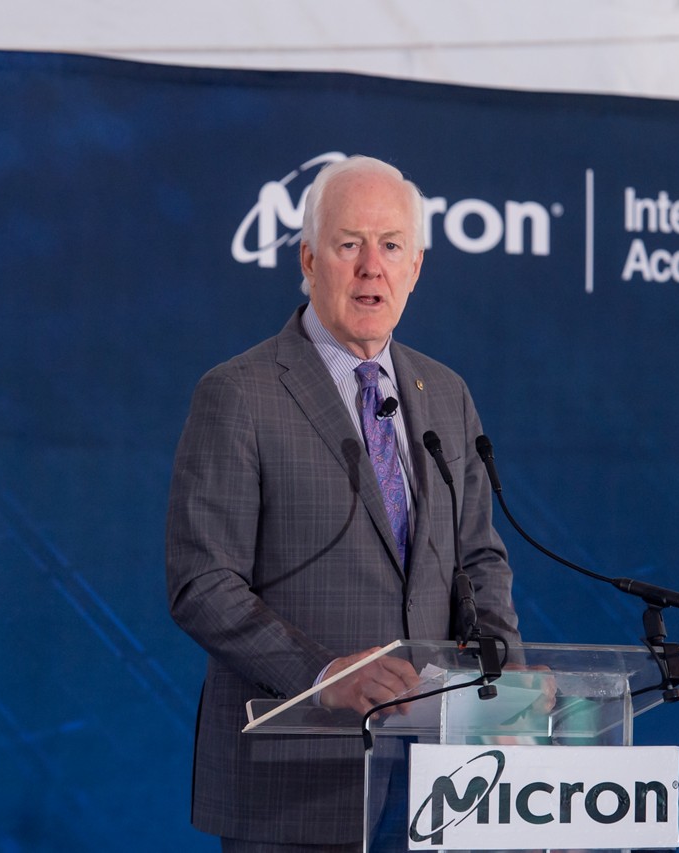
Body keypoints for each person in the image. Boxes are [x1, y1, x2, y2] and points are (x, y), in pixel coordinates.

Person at [165, 155, 521, 850]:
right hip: (293, 786)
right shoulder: (240, 393)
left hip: (438, 783)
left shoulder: (446, 395)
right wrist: (322, 675)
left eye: (391, 246)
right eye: (349, 243)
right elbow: (201, 582)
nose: (370, 267)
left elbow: (478, 558)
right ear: (308, 258)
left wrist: (499, 676)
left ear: (416, 267)